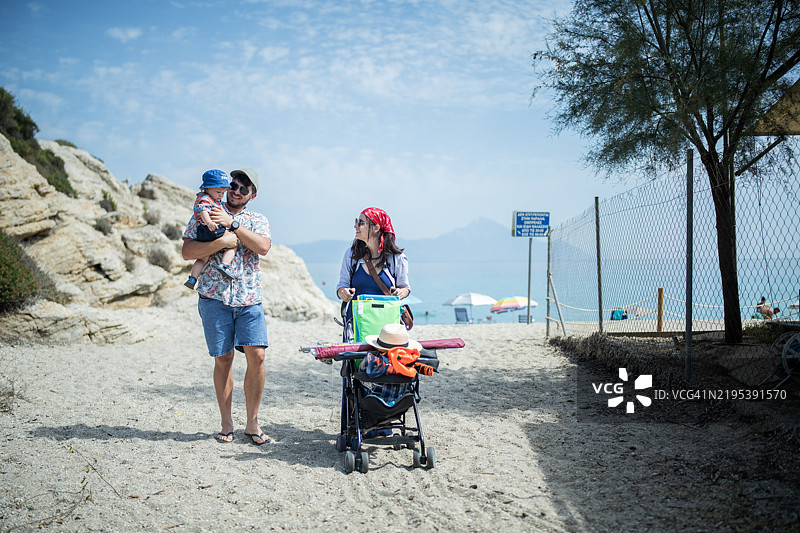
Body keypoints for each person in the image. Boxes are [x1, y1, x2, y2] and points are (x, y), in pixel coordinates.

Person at [181, 168, 272, 445]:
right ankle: (227, 423)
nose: (236, 190)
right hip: (214, 298)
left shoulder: (257, 219)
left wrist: (233, 225)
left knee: (256, 356)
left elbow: (263, 247)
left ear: (252, 195)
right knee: (223, 359)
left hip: (248, 299)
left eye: (244, 188)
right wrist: (221, 240)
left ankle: (253, 423)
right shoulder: (205, 210)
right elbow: (187, 252)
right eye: (233, 185)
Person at [336, 207, 411, 342]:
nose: (355, 226)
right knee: (355, 362)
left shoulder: (397, 258)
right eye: (356, 221)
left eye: (361, 222)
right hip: (356, 325)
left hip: (387, 328)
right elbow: (342, 285)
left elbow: (405, 287)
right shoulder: (351, 255)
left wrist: (400, 293)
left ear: (376, 227)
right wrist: (343, 293)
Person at [184, 169, 236, 289]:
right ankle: (224, 265)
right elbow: (203, 210)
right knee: (233, 243)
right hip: (211, 229)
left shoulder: (205, 197)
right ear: (207, 188)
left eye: (223, 193)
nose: (220, 196)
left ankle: (193, 278)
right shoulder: (206, 199)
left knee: (203, 258)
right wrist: (209, 222)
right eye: (218, 192)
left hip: (202, 233)